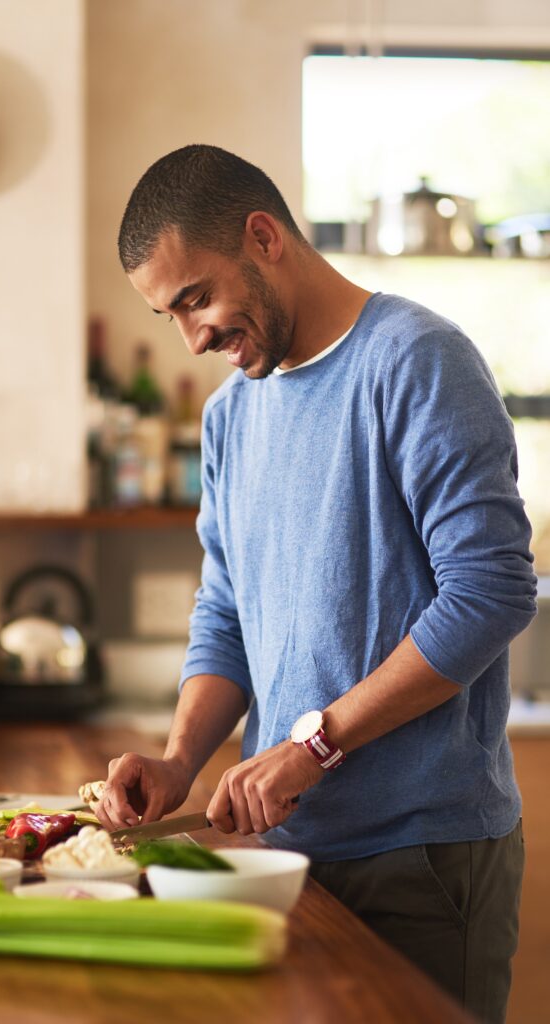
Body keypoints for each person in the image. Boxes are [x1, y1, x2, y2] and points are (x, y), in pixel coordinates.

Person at [91, 145, 537, 1023]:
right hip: (285, 854)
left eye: (197, 299)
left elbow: (491, 591)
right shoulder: (230, 416)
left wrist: (317, 745)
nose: (194, 338)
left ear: (264, 237)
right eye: (167, 315)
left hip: (423, 857)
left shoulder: (417, 362)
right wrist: (181, 760)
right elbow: (227, 610)